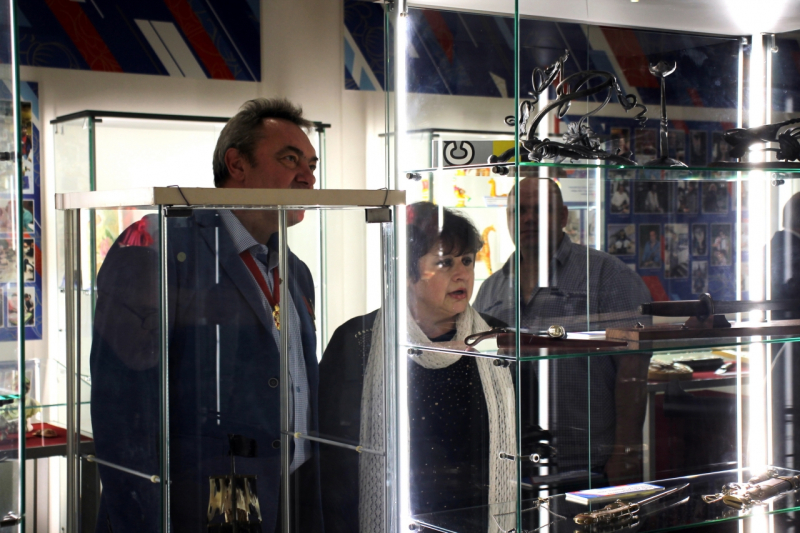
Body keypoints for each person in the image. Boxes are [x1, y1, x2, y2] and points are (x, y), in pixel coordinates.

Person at [90, 98, 322, 533]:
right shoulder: (159, 245)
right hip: (209, 495)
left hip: (289, 495)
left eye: (311, 164)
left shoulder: (296, 272)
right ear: (236, 164)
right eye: (290, 159)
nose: (308, 177)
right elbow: (122, 413)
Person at [318, 203, 515, 532]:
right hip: (392, 514)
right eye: (445, 262)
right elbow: (332, 456)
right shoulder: (357, 340)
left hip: (478, 517)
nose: (462, 274)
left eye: (467, 261)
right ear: (408, 273)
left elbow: (523, 436)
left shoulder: (497, 338)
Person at [473, 177, 652, 488]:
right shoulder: (491, 289)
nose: (529, 218)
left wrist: (625, 452)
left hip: (588, 460)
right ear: (509, 218)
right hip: (511, 461)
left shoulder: (605, 275)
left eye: (541, 209)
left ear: (563, 216)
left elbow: (632, 369)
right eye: (520, 211)